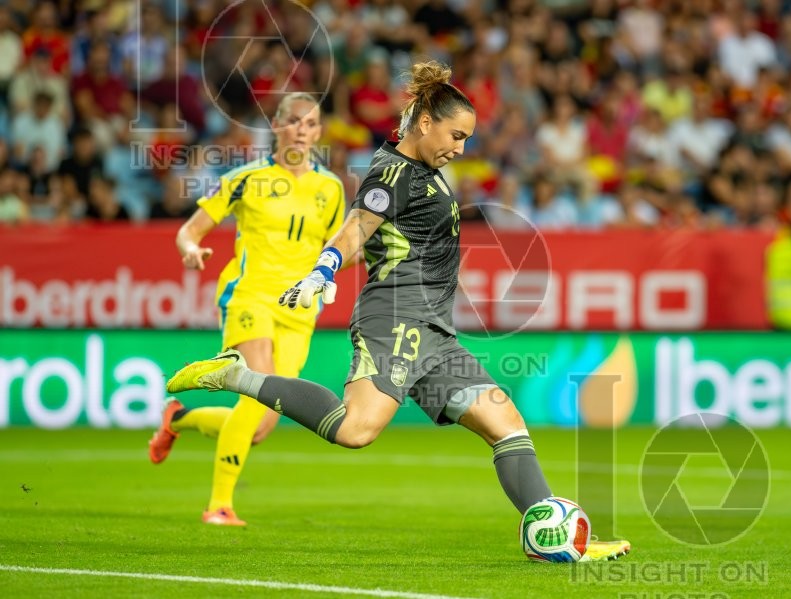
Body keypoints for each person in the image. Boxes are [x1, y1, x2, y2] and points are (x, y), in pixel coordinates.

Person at [165, 61, 630, 561]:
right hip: (395, 319)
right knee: (355, 430)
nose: (461, 149)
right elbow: (356, 229)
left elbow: (377, 240)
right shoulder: (392, 173)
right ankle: (236, 376)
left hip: (435, 330)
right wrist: (324, 270)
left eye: (467, 139)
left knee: (506, 423)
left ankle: (557, 539)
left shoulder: (425, 171)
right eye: (456, 136)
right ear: (425, 123)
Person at [147, 92, 346, 526]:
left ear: (319, 132)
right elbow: (189, 230)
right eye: (294, 121)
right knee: (257, 392)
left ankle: (177, 419)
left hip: (300, 311)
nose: (302, 130)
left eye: (311, 124)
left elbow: (340, 249)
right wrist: (190, 249)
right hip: (250, 297)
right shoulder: (245, 177)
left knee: (259, 426)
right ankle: (219, 506)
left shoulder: (330, 189)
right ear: (276, 125)